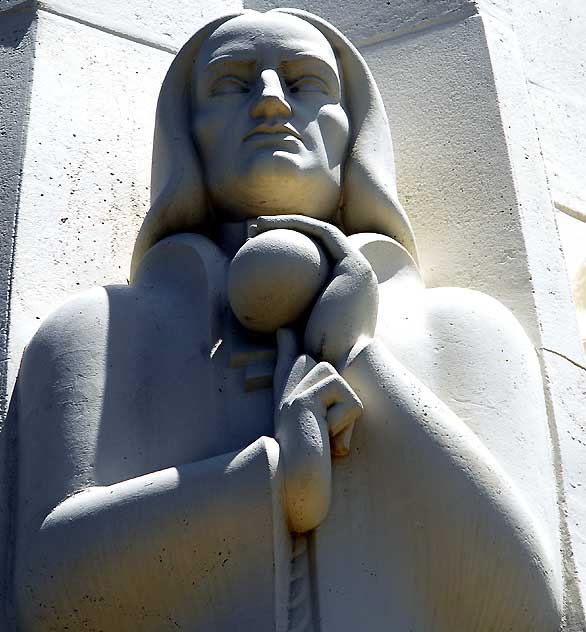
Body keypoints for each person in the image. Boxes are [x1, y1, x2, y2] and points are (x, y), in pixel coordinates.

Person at [9, 9, 562, 631]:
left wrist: (359, 360)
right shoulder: (102, 330)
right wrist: (272, 483)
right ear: (187, 131)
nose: (271, 101)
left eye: (305, 83)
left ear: (354, 130)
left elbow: (532, 605)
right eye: (232, 82)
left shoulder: (467, 330)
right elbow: (47, 588)